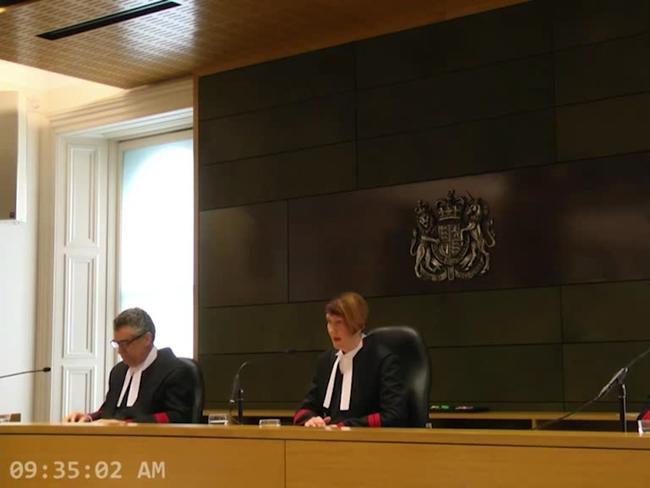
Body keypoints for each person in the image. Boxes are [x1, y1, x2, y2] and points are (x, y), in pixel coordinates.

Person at [294, 292, 407, 428]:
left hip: (370, 443)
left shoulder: (383, 361)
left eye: (339, 323)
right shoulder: (325, 361)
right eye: (329, 322)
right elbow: (305, 409)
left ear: (357, 324)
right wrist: (310, 420)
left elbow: (394, 415)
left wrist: (345, 425)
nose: (332, 330)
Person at [65, 308, 194, 424]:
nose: (120, 351)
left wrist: (127, 425)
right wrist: (88, 418)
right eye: (117, 344)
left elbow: (178, 417)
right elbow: (109, 411)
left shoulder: (176, 371)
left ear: (147, 339)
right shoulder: (118, 371)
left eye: (125, 343)